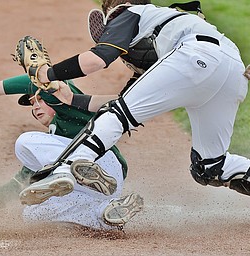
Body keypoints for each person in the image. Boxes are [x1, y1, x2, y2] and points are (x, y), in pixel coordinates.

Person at [18, 0, 250, 205]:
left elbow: (96, 61)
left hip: (194, 56)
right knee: (209, 168)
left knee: (117, 115)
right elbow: (123, 102)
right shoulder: (164, 31)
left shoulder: (128, 12)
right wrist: (70, 98)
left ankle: (65, 168)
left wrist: (47, 73)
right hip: (232, 73)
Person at [0, 75, 143, 230]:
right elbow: (16, 186)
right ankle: (106, 213)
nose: (36, 107)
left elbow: (41, 81)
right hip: (100, 190)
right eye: (32, 104)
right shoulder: (50, 147)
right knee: (33, 213)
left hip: (106, 166)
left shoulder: (71, 106)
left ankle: (80, 171)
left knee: (24, 141)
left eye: (39, 100)